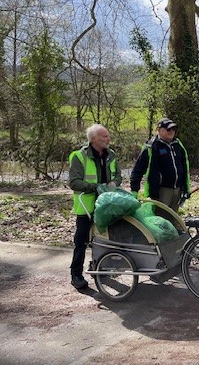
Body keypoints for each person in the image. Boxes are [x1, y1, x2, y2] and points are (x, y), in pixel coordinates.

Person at [68, 124, 122, 290]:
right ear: (93, 139)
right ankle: (76, 274)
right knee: (82, 241)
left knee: (105, 239)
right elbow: (74, 182)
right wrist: (96, 187)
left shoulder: (111, 155)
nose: (108, 139)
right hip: (87, 206)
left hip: (107, 205)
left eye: (108, 136)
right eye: (104, 136)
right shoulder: (79, 156)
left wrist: (114, 183)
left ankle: (99, 267)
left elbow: (118, 175)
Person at [130, 118, 191, 212]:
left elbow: (185, 168)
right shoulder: (151, 147)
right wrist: (134, 190)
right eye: (168, 129)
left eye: (173, 129)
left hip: (178, 190)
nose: (171, 131)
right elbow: (138, 170)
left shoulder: (178, 145)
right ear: (159, 130)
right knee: (161, 217)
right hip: (161, 191)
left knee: (173, 217)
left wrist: (186, 189)